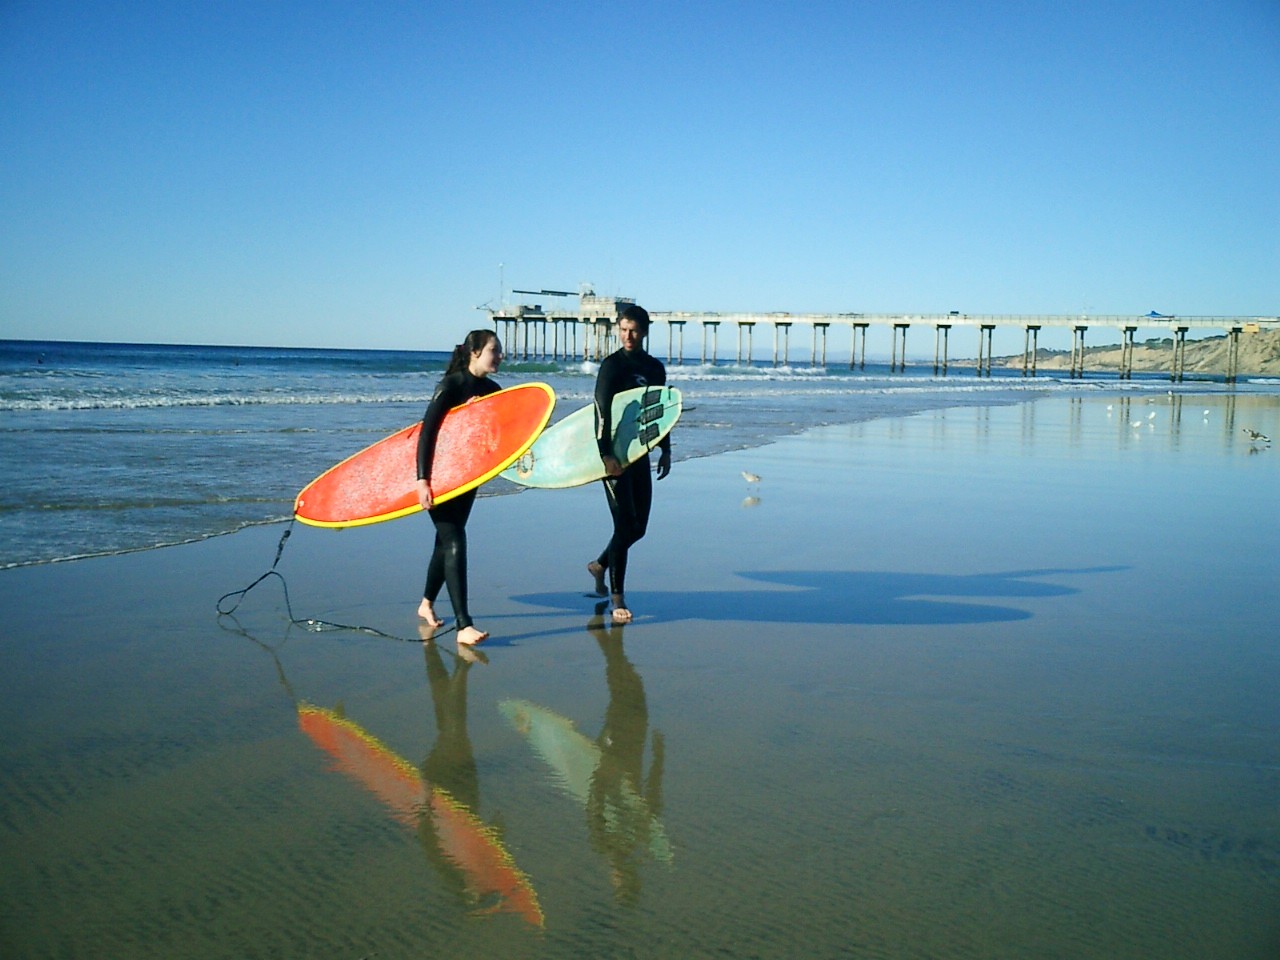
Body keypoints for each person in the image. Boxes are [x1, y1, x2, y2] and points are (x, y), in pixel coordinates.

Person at [416, 329, 503, 645]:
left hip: (467, 477)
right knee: (455, 538)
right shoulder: (451, 386)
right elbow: (427, 435)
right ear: (475, 352)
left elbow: (499, 436)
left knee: (445, 540)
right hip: (439, 475)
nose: (500, 356)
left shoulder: (494, 390)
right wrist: (422, 480)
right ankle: (464, 626)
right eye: (494, 350)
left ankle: (426, 603)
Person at [587, 305, 672, 623]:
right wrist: (605, 456)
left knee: (639, 528)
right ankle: (617, 597)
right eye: (623, 329)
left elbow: (659, 411)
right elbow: (601, 413)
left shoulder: (654, 367)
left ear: (645, 331)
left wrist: (666, 449)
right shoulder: (612, 366)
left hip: (640, 454)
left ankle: (599, 564)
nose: (628, 335)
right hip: (614, 457)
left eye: (634, 330)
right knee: (623, 526)